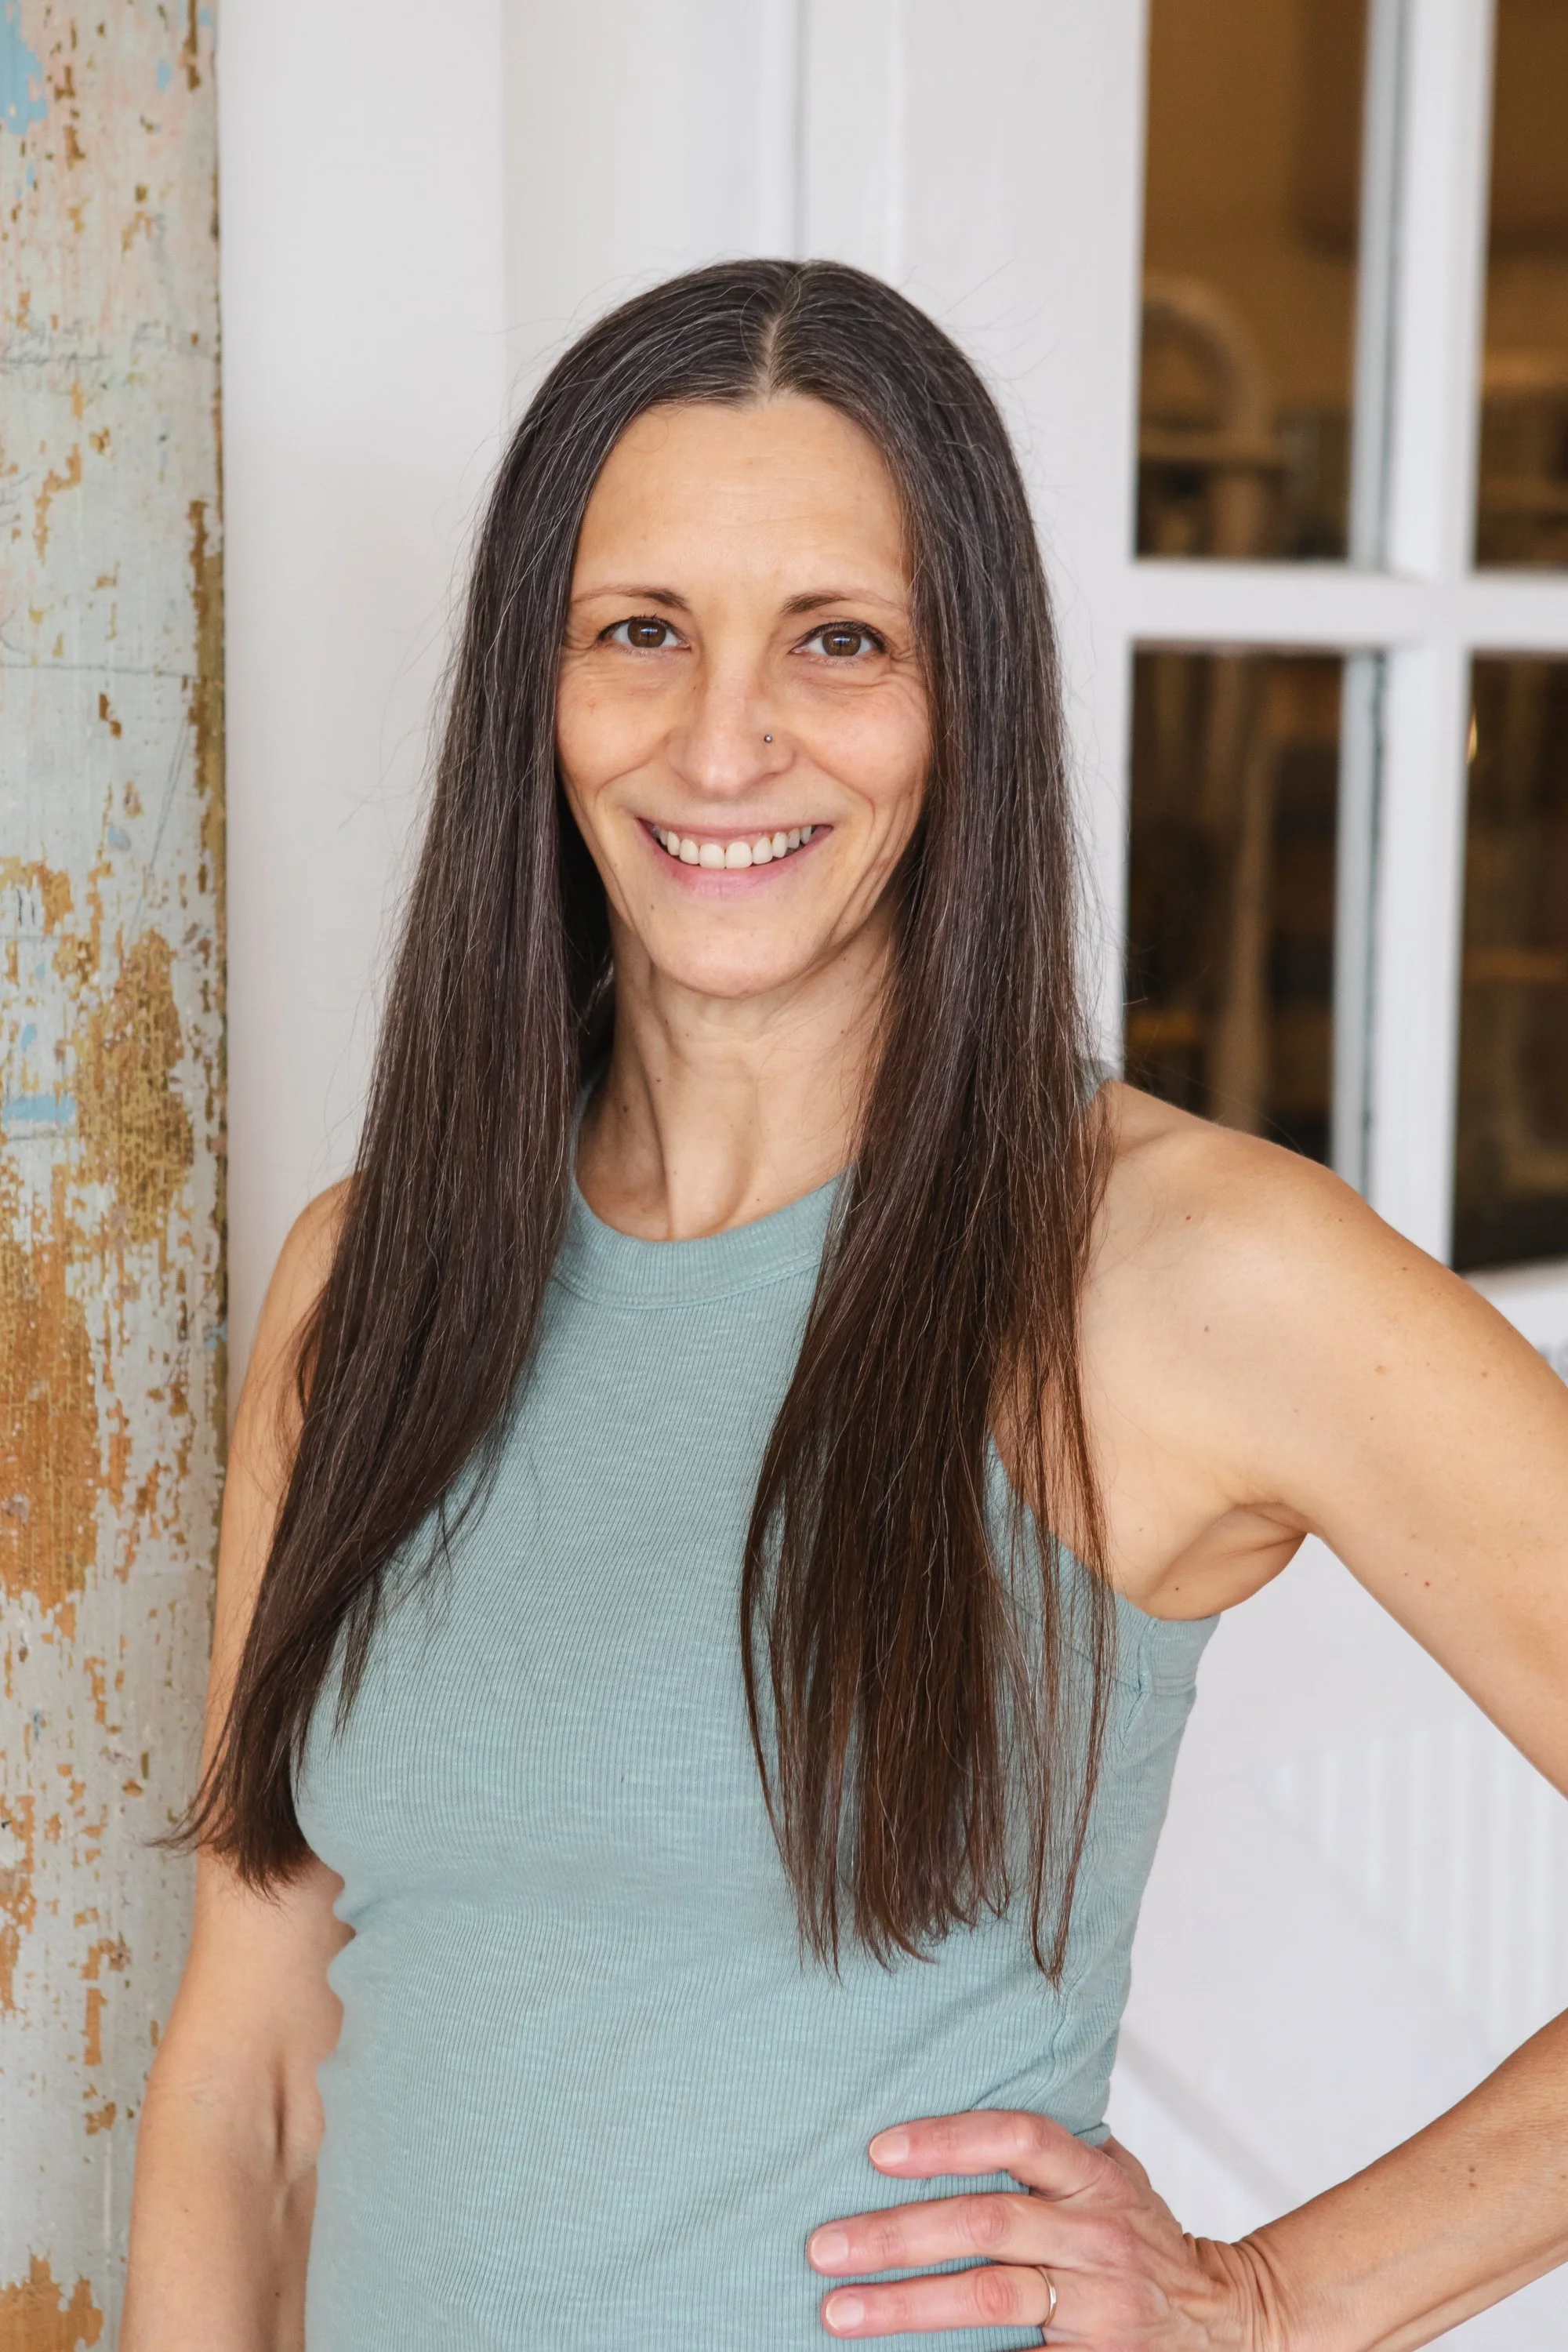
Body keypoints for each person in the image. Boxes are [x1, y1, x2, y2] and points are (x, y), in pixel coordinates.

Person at [122, 260, 1568, 2351]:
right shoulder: (372, 1283)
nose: (725, 741)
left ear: (962, 690)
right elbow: (244, 2078)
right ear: (538, 686)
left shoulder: (1171, 1271)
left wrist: (1271, 2300)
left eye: (841, 641)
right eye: (642, 633)